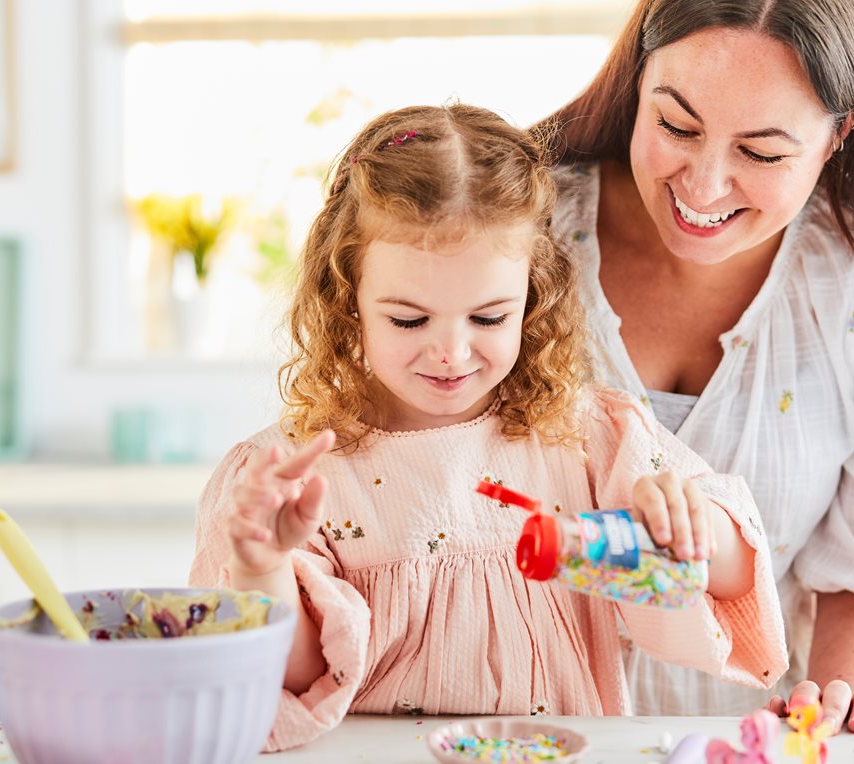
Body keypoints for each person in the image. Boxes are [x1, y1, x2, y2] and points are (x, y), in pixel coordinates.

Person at [189, 103, 787, 751]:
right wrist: (263, 565)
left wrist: (691, 525)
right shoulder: (292, 478)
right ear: (347, 298)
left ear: (532, 297)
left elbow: (731, 580)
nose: (451, 352)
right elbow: (299, 681)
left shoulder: (585, 437)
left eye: (489, 318)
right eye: (409, 320)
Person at [535, 0, 854, 734]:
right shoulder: (518, 235)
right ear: (638, 79)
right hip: (514, 733)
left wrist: (827, 719)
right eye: (676, 125)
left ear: (839, 132)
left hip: (756, 739)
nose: (703, 186)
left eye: (761, 153)